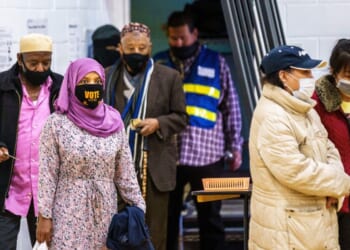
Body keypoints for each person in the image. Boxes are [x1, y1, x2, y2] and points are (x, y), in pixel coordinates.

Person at [153, 11, 243, 250]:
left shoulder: (216, 62)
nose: (178, 43)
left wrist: (236, 146)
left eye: (183, 37)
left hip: (207, 156)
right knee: (167, 218)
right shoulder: (159, 63)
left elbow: (231, 106)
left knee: (210, 217)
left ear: (195, 34)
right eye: (173, 38)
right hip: (167, 155)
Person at [35, 58, 146, 249]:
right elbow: (47, 174)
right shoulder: (56, 124)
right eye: (85, 82)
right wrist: (44, 217)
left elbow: (125, 173)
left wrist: (139, 210)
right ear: (71, 84)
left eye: (97, 81)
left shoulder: (114, 121)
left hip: (105, 211)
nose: (92, 86)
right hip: (67, 210)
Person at [249, 44, 350, 249]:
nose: (311, 76)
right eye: (304, 71)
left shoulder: (304, 109)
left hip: (310, 226)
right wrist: (341, 182)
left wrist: (335, 186)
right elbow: (294, 169)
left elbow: (329, 148)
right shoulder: (273, 116)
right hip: (287, 232)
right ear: (284, 76)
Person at [104, 22, 187, 250]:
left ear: (150, 47)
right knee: (113, 231)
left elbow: (181, 117)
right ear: (120, 48)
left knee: (153, 233)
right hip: (113, 169)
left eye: (142, 48)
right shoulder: (106, 77)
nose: (137, 53)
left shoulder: (168, 77)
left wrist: (159, 122)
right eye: (131, 48)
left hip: (153, 169)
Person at [0, 33, 63, 249]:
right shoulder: (2, 86)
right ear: (20, 59)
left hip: (45, 192)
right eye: (33, 63)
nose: (40, 68)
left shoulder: (60, 88)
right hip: (7, 188)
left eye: (46, 63)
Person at [312, 39, 350, 249]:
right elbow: (313, 152)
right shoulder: (318, 105)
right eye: (348, 75)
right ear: (334, 72)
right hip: (338, 201)